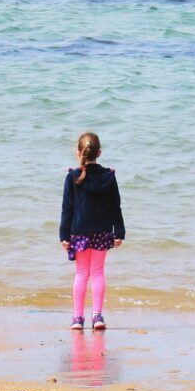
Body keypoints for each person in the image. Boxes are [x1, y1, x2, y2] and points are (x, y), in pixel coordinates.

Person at [59, 131, 125, 330]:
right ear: (100, 153)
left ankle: (77, 318)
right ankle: (97, 316)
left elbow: (67, 208)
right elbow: (115, 206)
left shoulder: (73, 177)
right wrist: (119, 231)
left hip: (78, 231)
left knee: (81, 274)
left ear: (79, 153)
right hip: (102, 231)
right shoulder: (108, 177)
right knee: (97, 273)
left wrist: (64, 235)